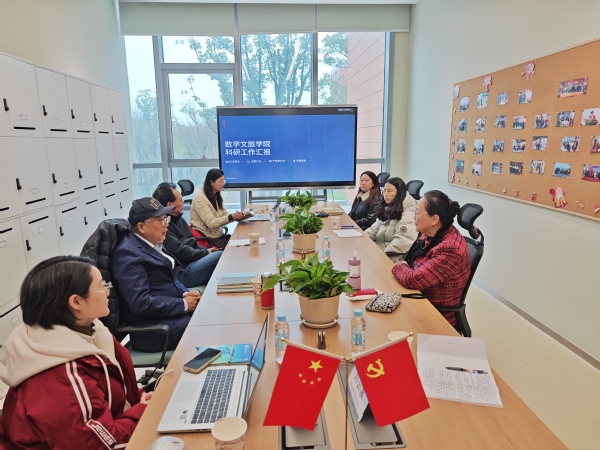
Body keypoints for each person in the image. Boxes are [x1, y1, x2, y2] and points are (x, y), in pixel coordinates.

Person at [0, 256, 150, 449]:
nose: (108, 290)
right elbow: (97, 444)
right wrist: (143, 412)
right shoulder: (59, 374)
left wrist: (140, 398)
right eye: (102, 285)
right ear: (77, 301)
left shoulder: (91, 329)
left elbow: (116, 385)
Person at [112, 197, 201, 352]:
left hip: (170, 316)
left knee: (213, 311)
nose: (166, 224)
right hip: (155, 331)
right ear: (141, 227)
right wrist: (183, 304)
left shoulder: (152, 242)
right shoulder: (128, 255)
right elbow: (142, 303)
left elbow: (170, 277)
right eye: (160, 220)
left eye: (166, 218)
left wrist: (185, 293)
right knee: (209, 325)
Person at [391, 190, 470, 329]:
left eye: (417, 212)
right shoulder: (431, 233)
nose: (413, 217)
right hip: (417, 298)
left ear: (434, 219)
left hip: (434, 315)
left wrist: (399, 266)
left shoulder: (451, 249)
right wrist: (405, 266)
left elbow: (412, 279)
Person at [153, 182, 222, 288]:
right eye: (180, 200)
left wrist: (206, 251)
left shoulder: (178, 219)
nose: (183, 202)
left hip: (191, 262)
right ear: (170, 205)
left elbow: (192, 241)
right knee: (220, 255)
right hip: (182, 272)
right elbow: (178, 251)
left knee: (218, 254)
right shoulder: (163, 226)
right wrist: (204, 252)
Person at [364, 177, 418, 262]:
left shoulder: (409, 214)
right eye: (384, 191)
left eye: (389, 191)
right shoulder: (389, 207)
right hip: (379, 251)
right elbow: (374, 229)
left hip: (393, 260)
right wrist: (361, 239)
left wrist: (380, 258)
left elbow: (401, 243)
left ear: (399, 193)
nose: (385, 194)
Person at [190, 168, 245, 248]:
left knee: (242, 241)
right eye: (220, 181)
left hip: (217, 236)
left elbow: (225, 215)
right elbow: (212, 223)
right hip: (208, 239)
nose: (223, 184)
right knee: (239, 246)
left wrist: (236, 216)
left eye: (223, 181)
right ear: (211, 182)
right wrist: (231, 217)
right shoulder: (200, 199)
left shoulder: (215, 196)